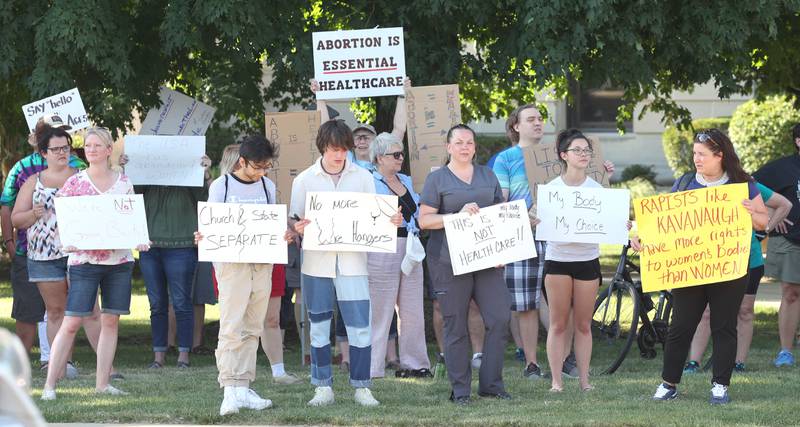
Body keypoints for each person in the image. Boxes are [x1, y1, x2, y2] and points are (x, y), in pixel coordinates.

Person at [633, 128, 768, 404]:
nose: (696, 159)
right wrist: (642, 239)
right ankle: (668, 383)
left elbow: (763, 223)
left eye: (702, 154)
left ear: (720, 155)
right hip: (690, 269)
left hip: (730, 268)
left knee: (724, 326)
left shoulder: (742, 184)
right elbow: (663, 225)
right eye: (695, 153)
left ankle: (720, 385)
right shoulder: (684, 183)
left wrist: (751, 212)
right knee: (681, 326)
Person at [290, 120, 402, 407]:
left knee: (359, 327)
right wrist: (297, 227)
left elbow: (375, 217)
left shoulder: (364, 178)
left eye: (343, 150)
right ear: (322, 148)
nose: (339, 155)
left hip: (354, 264)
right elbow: (294, 220)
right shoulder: (304, 180)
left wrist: (391, 221)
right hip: (316, 264)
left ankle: (362, 387)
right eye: (333, 150)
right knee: (318, 326)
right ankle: (322, 386)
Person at [42, 127, 150, 399]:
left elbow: (132, 221)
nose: (90, 149)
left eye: (96, 145)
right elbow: (63, 220)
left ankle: (103, 384)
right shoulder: (75, 183)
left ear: (108, 149)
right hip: (84, 262)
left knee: (110, 321)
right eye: (87, 145)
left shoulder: (124, 182)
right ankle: (49, 386)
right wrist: (69, 239)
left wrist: (139, 239)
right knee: (71, 322)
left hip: (119, 261)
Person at [195, 136, 294, 415]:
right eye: (258, 166)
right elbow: (210, 225)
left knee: (253, 326)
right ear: (242, 161)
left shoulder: (267, 186)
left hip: (262, 263)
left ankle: (243, 386)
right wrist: (204, 235)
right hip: (231, 265)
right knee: (231, 326)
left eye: (267, 166)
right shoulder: (221, 186)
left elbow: (273, 223)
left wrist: (283, 234)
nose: (262, 171)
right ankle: (229, 388)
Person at [418, 124, 511, 405]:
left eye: (469, 142)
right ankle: (460, 390)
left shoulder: (487, 174)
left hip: (486, 260)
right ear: (449, 147)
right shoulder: (438, 180)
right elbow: (425, 221)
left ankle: (491, 384)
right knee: (455, 324)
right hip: (448, 261)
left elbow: (498, 214)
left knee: (499, 318)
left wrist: (504, 246)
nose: (465, 147)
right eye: (458, 142)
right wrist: (455, 216)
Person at [541, 129, 628, 392]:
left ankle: (584, 381)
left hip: (587, 261)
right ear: (563, 155)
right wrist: (536, 218)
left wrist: (622, 226)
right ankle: (556, 382)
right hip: (557, 261)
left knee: (583, 324)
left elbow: (611, 224)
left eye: (586, 150)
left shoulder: (597, 189)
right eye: (577, 150)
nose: (583, 155)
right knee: (558, 323)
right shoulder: (551, 190)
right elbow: (542, 224)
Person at [119, 147, 213, 370]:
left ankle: (183, 355)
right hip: (151, 245)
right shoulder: (146, 173)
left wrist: (204, 173)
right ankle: (158, 355)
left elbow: (204, 199)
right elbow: (132, 194)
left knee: (181, 302)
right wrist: (127, 168)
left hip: (182, 244)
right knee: (157, 304)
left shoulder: (190, 173)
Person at [684, 185, 791, 372]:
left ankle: (738, 362)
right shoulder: (703, 184)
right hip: (713, 258)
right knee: (707, 312)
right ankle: (694, 362)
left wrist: (765, 229)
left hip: (749, 258)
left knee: (745, 310)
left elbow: (784, 205)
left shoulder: (749, 185)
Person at [1, 117, 82, 358]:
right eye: (55, 148)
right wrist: (10, 242)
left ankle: (63, 363)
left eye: (65, 147)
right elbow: (8, 209)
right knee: (37, 311)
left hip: (76, 252)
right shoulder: (24, 172)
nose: (61, 152)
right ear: (42, 148)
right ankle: (32, 365)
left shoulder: (80, 172)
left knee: (76, 311)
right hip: (37, 253)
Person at [367, 132, 431, 378]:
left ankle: (415, 363)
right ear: (379, 158)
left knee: (413, 309)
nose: (400, 158)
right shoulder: (368, 181)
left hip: (411, 246)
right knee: (380, 310)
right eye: (395, 154)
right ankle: (373, 367)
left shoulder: (406, 179)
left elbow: (415, 211)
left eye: (401, 153)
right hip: (382, 248)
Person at [753, 124, 800, 367]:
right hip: (792, 239)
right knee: (791, 294)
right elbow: (750, 187)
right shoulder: (782, 168)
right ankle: (786, 351)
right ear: (798, 142)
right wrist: (773, 213)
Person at [311, 78, 410, 169]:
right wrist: (320, 97)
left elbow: (399, 129)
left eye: (366, 137)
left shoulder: (384, 156)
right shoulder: (345, 158)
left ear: (375, 140)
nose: (362, 142)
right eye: (358, 137)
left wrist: (402, 95)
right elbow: (326, 131)